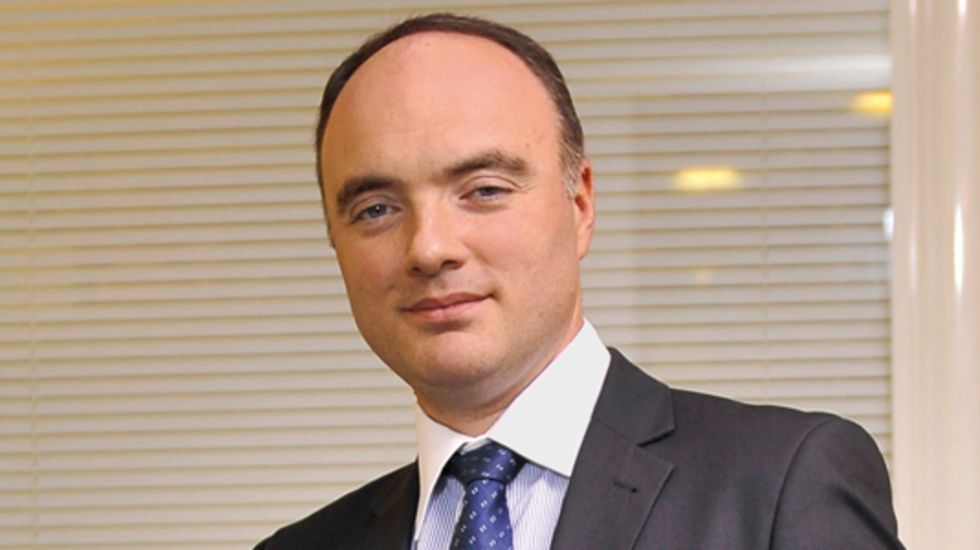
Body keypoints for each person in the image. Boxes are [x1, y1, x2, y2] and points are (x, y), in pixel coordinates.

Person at [255, 13, 903, 550]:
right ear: (335, 239)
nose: (429, 248)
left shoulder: (781, 487)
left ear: (581, 203)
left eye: (484, 190)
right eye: (376, 209)